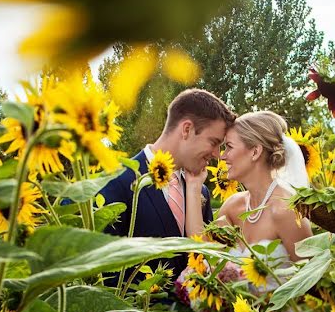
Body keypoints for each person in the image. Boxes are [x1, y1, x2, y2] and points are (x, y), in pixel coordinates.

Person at [99, 88, 236, 277]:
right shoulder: (116, 180)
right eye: (214, 142)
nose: (216, 155)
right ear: (186, 129)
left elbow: (202, 261)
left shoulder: (201, 192)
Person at [217, 110, 314, 268]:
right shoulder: (231, 207)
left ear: (255, 151)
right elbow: (204, 258)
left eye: (229, 147)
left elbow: (313, 283)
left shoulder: (287, 211)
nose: (222, 156)